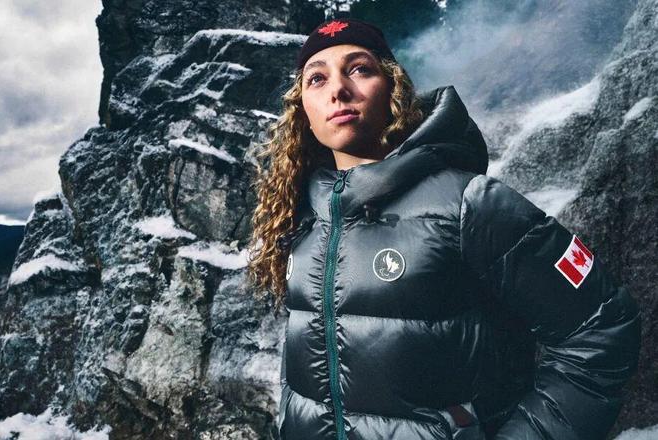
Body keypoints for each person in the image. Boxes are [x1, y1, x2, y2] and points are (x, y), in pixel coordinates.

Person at [245, 17, 642, 440]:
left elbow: (602, 329)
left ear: (394, 88)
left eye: (359, 69)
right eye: (317, 79)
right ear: (303, 110)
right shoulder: (301, 218)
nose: (338, 89)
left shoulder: (470, 204)